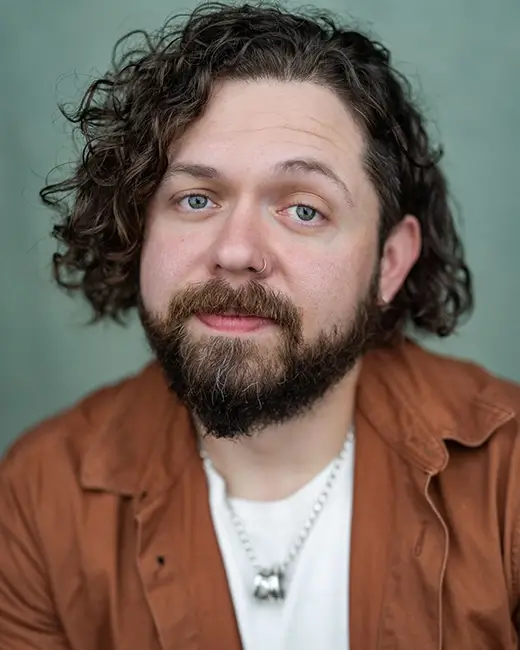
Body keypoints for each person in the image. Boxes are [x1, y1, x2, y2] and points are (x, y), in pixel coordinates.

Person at [1, 2, 519, 649]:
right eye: (196, 199)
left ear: (389, 263)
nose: (236, 249)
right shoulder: (36, 496)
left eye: (304, 209)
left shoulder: (511, 479)